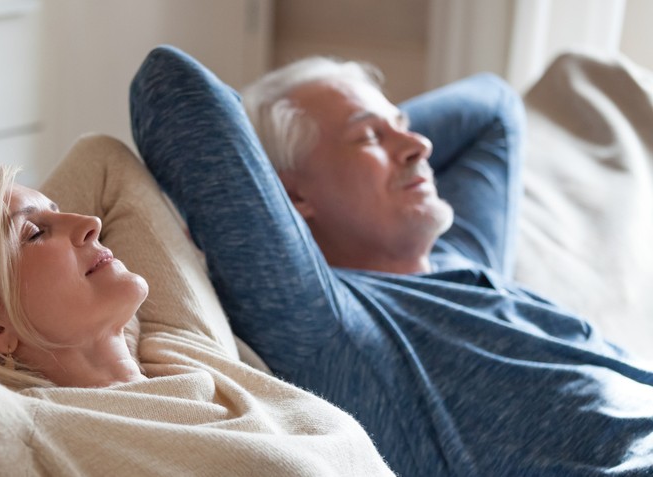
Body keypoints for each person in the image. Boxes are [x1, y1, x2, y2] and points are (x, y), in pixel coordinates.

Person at [130, 45, 653, 476]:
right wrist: (282, 164)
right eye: (369, 137)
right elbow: (171, 88)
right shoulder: (329, 324)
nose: (420, 144)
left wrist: (368, 135)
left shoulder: (461, 253)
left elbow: (493, 108)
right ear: (289, 199)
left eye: (403, 122)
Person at [0, 137, 396, 475]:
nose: (90, 223)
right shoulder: (32, 430)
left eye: (61, 212)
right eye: (34, 233)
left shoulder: (175, 346)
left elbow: (103, 160)